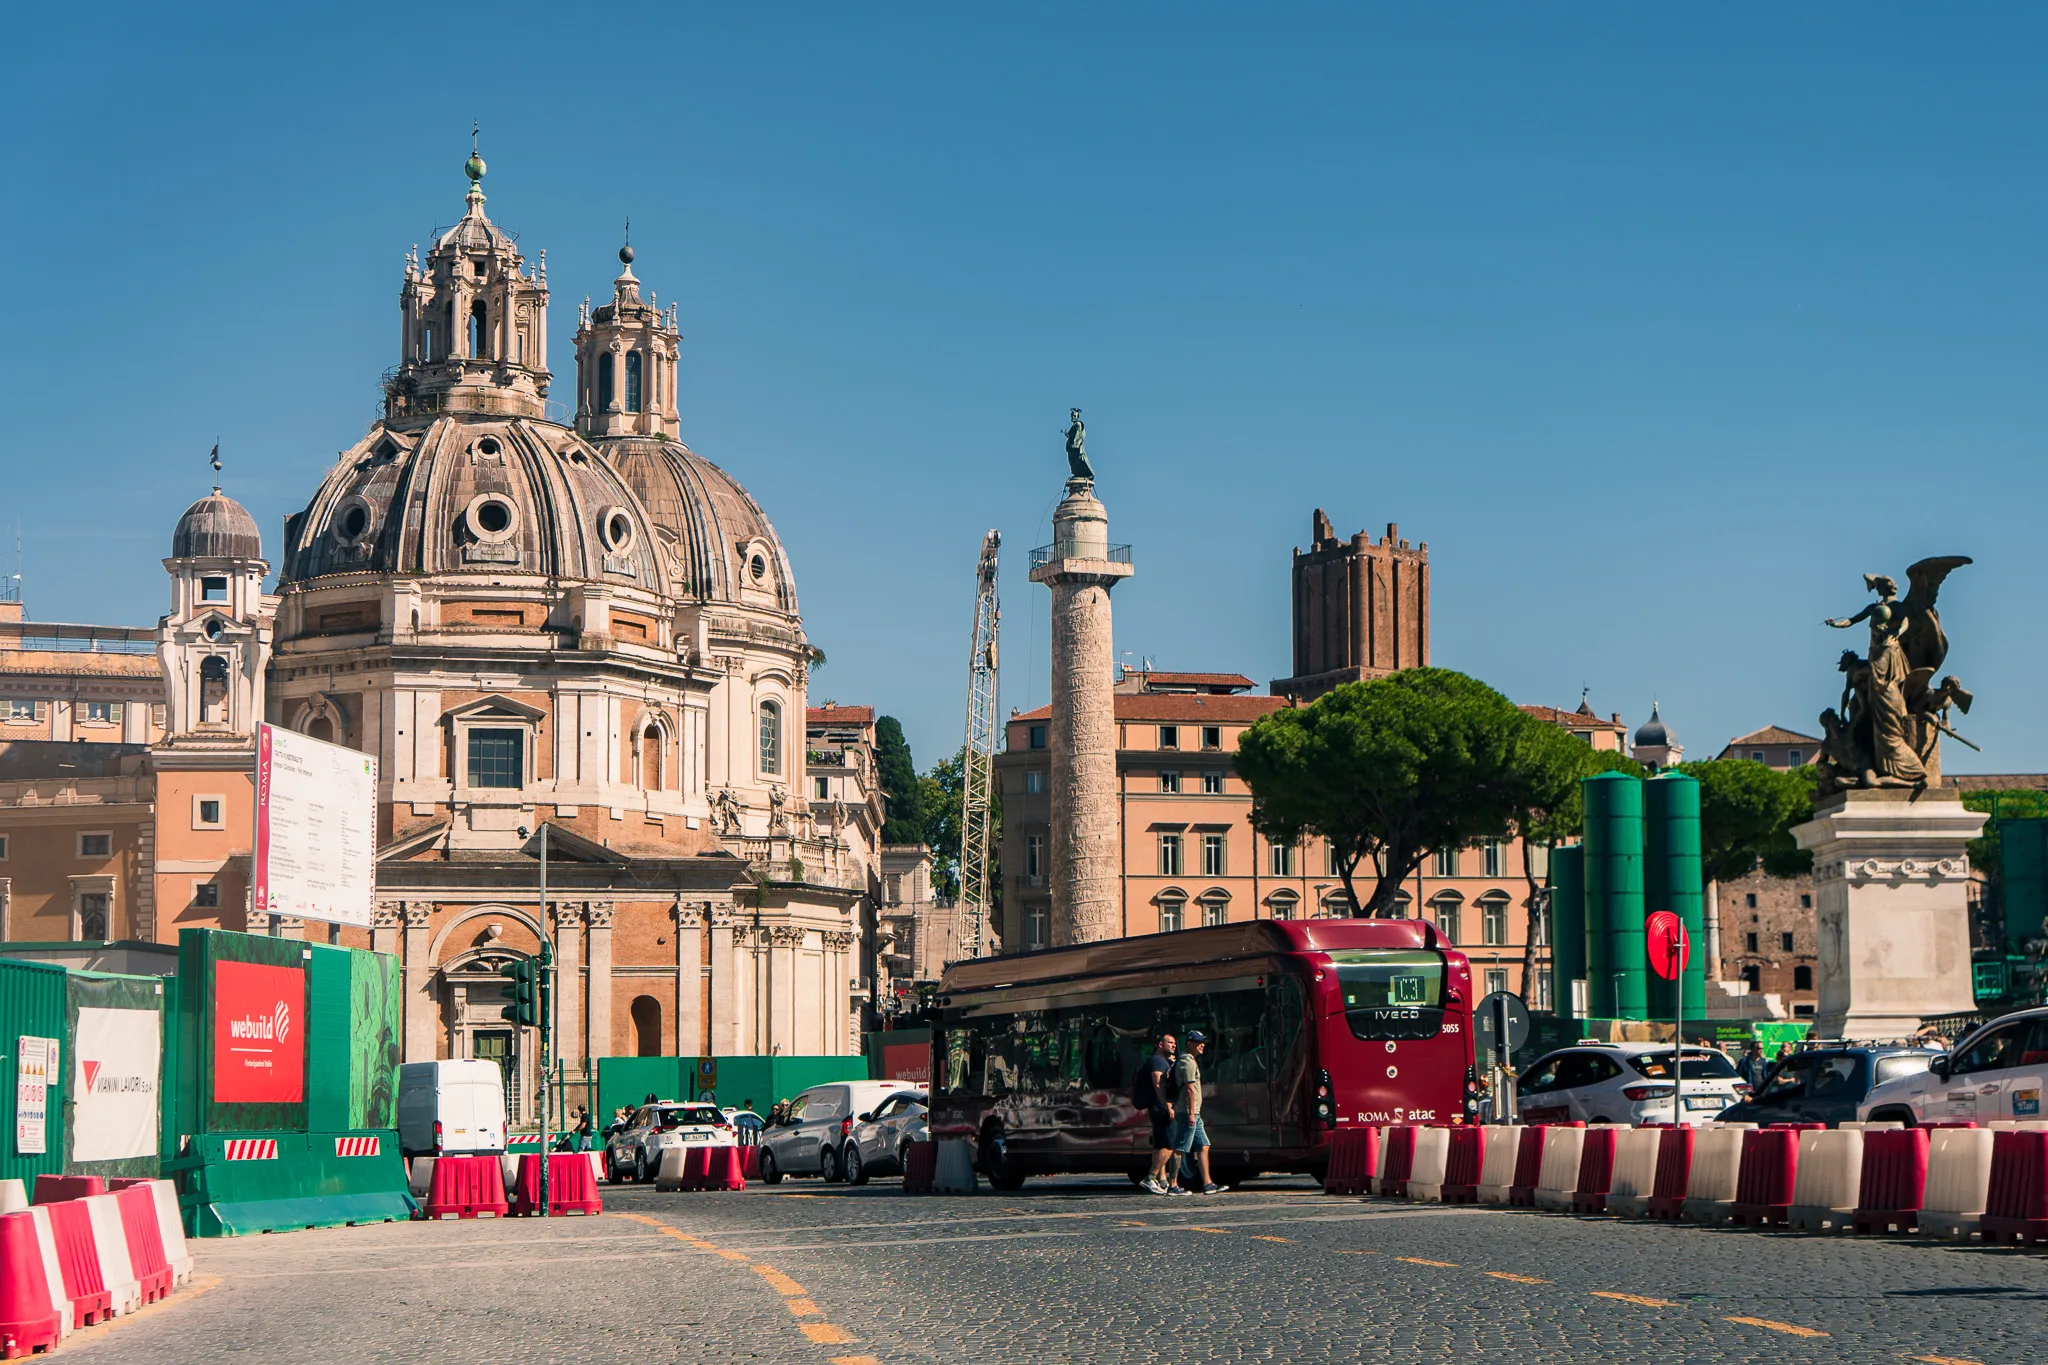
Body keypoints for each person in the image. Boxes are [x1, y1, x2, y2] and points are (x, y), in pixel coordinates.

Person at [1169, 1030, 1222, 1195]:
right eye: (1198, 1042)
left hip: (1194, 1113)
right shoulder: (1188, 1062)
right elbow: (1190, 1089)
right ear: (1189, 1044)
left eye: (1203, 1042)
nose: (1202, 1045)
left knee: (1204, 1145)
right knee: (1180, 1148)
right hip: (1187, 1112)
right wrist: (1191, 1113)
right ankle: (1172, 1185)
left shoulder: (1190, 1061)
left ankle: (1208, 1183)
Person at [1137, 1033, 1181, 1195]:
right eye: (1170, 1042)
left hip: (1158, 1108)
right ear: (1160, 1045)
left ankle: (1161, 1181)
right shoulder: (1157, 1060)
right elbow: (1158, 1083)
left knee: (1160, 1144)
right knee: (1171, 1145)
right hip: (1162, 1108)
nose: (1173, 1045)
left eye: (1174, 1043)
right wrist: (1167, 1106)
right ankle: (1151, 1177)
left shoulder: (1164, 1061)